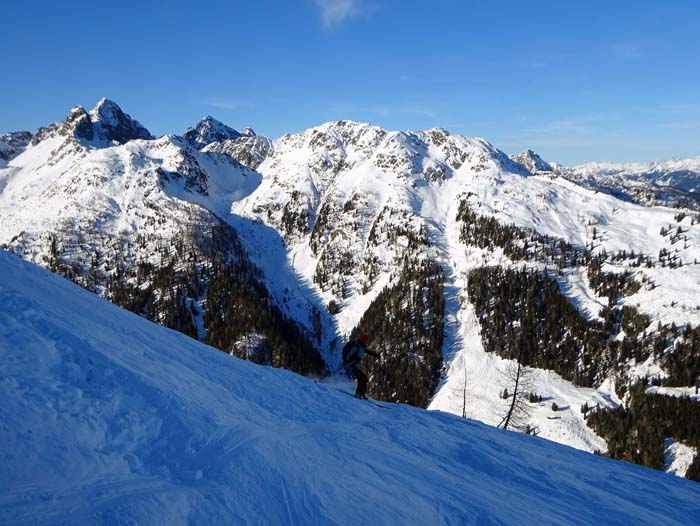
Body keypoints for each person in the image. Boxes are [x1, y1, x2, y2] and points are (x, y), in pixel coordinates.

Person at [342, 334, 380, 399]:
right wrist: (354, 359)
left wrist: (376, 355)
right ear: (363, 340)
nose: (366, 342)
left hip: (355, 365)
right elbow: (347, 357)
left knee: (363, 378)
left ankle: (361, 394)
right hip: (351, 366)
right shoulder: (355, 346)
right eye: (365, 341)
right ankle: (359, 394)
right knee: (363, 378)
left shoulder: (361, 346)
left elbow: (367, 351)